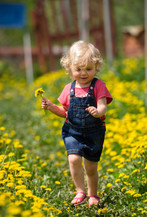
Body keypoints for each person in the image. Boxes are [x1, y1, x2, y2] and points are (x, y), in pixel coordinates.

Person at [41, 40, 113, 207]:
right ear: (69, 69)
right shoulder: (69, 88)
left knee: (90, 167)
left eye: (88, 69)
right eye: (78, 69)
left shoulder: (98, 85)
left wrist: (98, 111)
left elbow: (103, 105)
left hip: (94, 132)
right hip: (73, 131)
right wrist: (52, 107)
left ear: (96, 67)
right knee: (73, 159)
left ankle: (93, 195)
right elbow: (64, 111)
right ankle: (80, 190)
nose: (83, 73)